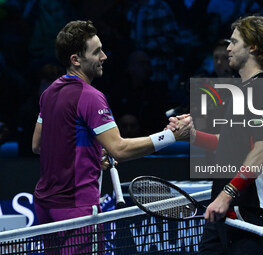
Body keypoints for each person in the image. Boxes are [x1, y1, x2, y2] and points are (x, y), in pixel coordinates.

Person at [31, 20, 190, 253]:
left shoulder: (50, 92)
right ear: (76, 60)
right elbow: (120, 150)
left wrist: (90, 154)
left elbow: (37, 145)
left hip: (45, 204)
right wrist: (172, 136)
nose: (104, 56)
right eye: (96, 52)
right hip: (77, 208)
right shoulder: (90, 96)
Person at [168, 16, 263, 254]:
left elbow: (262, 151)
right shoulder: (240, 91)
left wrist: (226, 195)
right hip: (222, 213)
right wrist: (192, 136)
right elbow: (227, 142)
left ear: (252, 46)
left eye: (234, 42)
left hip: (247, 212)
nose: (228, 48)